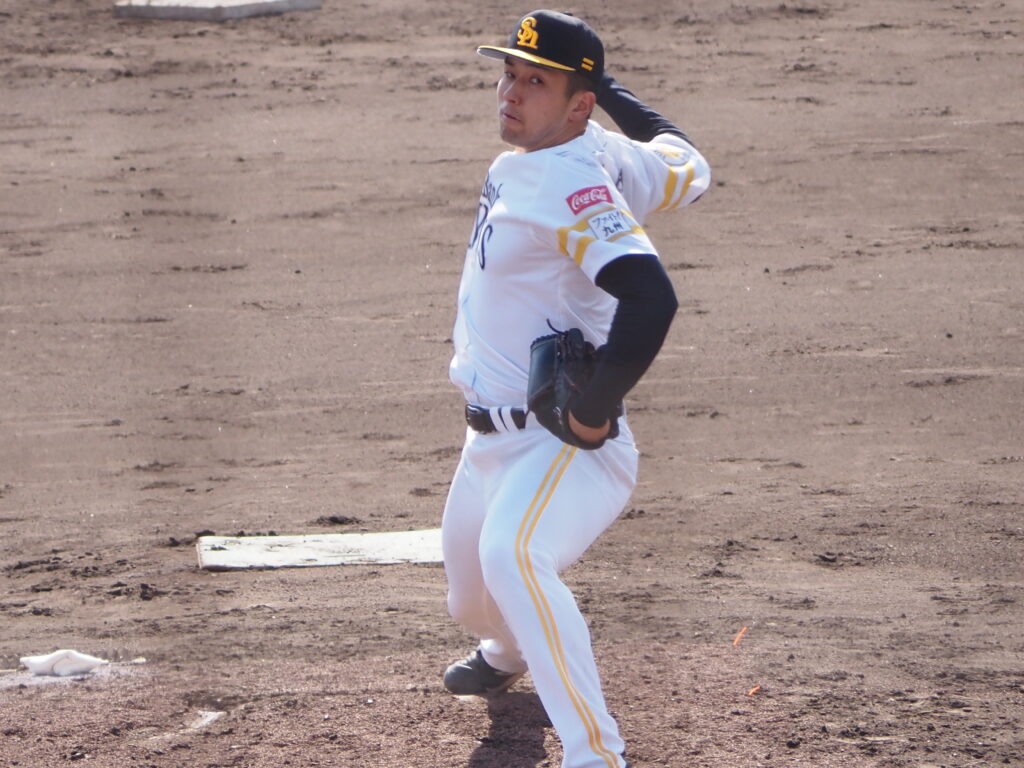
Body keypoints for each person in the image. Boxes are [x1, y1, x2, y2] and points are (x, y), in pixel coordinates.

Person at [440, 10, 711, 768]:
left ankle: (596, 754)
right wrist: (604, 85)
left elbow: (652, 298)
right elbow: (685, 159)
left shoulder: (569, 180)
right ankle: (506, 652)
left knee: (514, 554)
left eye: (536, 82)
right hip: (487, 444)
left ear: (576, 105)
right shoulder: (603, 152)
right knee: (471, 600)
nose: (510, 93)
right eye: (510, 74)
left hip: (560, 441)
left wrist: (591, 414)